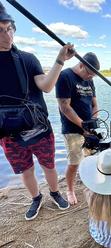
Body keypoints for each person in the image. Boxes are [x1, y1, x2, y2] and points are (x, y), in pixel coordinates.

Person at [0, 2, 74, 220]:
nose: (7, 35)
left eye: (9, 28)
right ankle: (36, 198)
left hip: (39, 128)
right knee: (26, 170)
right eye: (0, 30)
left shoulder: (28, 58)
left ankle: (55, 192)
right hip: (9, 133)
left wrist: (60, 60)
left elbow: (47, 86)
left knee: (49, 165)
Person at [55, 52, 100, 205]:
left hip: (89, 129)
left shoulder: (89, 80)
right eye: (89, 74)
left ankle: (92, 184)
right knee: (74, 162)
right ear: (81, 65)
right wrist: (82, 125)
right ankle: (70, 189)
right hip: (72, 129)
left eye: (93, 76)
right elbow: (64, 107)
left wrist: (94, 121)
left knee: (92, 159)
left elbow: (94, 104)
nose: (90, 78)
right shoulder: (65, 77)